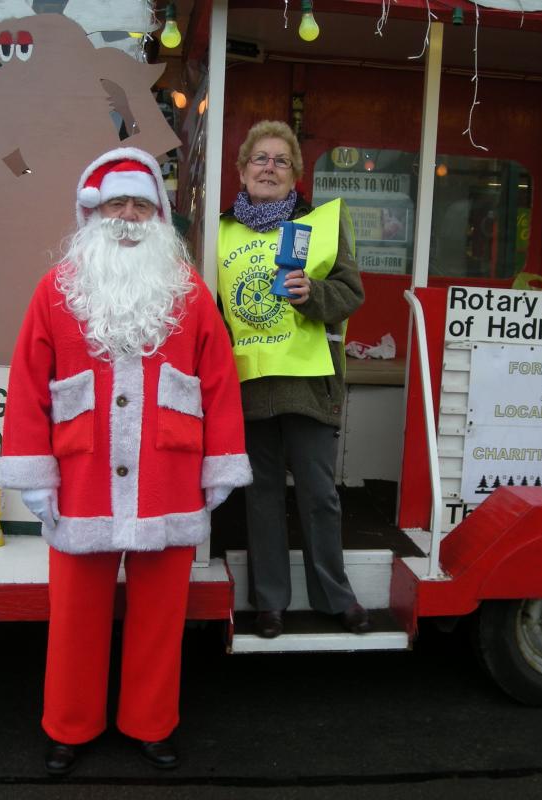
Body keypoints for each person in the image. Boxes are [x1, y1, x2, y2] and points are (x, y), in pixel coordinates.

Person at [0, 147, 251, 776]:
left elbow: (219, 382)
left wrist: (219, 469)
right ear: (93, 213)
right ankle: (69, 726)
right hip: (81, 479)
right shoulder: (54, 290)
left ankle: (150, 723)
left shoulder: (190, 293)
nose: (129, 216)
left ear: (160, 216)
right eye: (117, 204)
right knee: (76, 616)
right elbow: (29, 384)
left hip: (168, 477)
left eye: (141, 204)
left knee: (161, 618)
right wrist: (35, 476)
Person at [217, 120, 370, 639]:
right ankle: (270, 604)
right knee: (260, 498)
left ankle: (335, 596)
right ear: (241, 170)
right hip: (249, 386)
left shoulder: (322, 224)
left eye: (281, 160)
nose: (269, 167)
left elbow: (350, 293)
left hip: (309, 383)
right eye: (260, 158)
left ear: (296, 175)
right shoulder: (219, 232)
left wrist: (314, 295)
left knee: (318, 494)